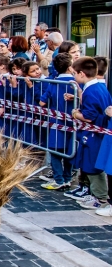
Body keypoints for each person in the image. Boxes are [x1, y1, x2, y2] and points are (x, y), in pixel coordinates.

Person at [71, 57, 112, 211]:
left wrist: (75, 113)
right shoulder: (100, 87)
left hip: (94, 132)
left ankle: (100, 197)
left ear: (82, 74)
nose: (74, 76)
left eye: (75, 73)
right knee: (92, 164)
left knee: (91, 165)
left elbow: (89, 116)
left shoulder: (91, 91)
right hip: (99, 131)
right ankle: (96, 195)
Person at [39, 54, 76, 191]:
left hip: (56, 122)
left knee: (55, 151)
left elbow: (42, 102)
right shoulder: (76, 83)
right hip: (73, 122)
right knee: (69, 151)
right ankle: (67, 178)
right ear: (70, 66)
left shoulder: (53, 83)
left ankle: (58, 179)